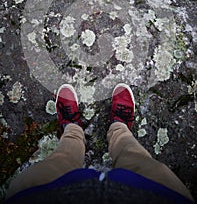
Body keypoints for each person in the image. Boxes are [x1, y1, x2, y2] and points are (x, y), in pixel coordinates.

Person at [5, 83, 194, 204]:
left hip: (41, 196)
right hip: (157, 196)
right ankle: (117, 127)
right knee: (139, 161)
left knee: (57, 164)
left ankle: (74, 129)